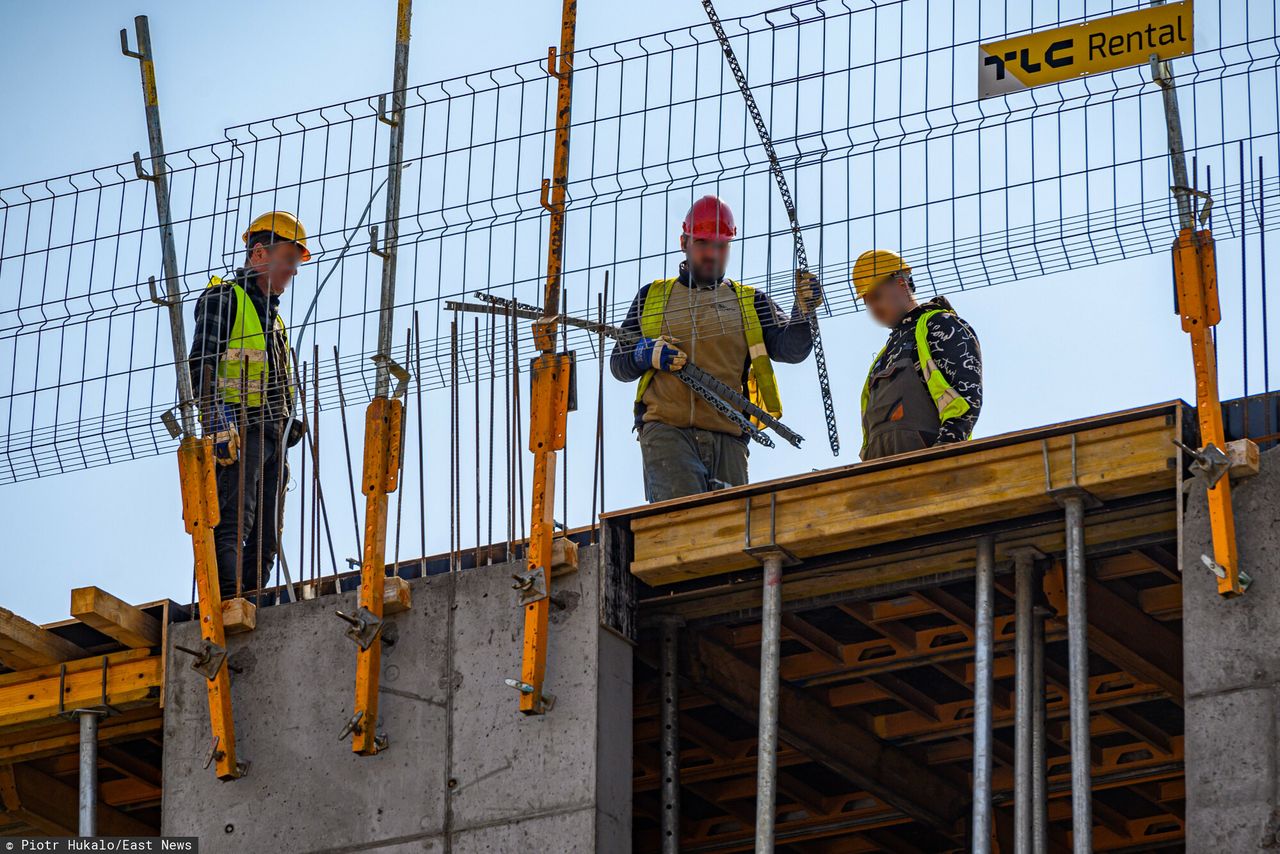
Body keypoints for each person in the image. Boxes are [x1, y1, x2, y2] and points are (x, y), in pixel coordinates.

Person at [610, 195, 821, 502]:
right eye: (703, 243)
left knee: (730, 533)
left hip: (729, 436)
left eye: (721, 246)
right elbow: (619, 365)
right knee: (681, 523)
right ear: (684, 242)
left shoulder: (749, 302)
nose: (712, 254)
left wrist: (804, 311)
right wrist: (646, 354)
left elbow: (791, 349)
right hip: (668, 431)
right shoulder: (653, 297)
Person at [187, 211, 307, 599]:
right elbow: (202, 362)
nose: (293, 271)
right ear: (259, 254)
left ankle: (252, 597)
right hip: (239, 430)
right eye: (288, 260)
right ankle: (226, 598)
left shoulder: (275, 323)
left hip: (273, 437)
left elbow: (274, 379)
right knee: (237, 518)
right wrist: (215, 419)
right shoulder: (226, 298)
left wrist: (289, 420)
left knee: (267, 534)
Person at [852, 249, 983, 461]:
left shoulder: (939, 326)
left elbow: (967, 401)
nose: (873, 307)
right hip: (882, 476)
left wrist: (942, 455)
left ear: (902, 285)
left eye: (876, 296)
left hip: (931, 467)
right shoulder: (884, 356)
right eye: (867, 302)